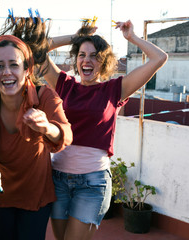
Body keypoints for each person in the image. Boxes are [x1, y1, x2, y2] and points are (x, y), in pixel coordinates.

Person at [41, 19, 168, 240]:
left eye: (94, 55)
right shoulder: (65, 85)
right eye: (82, 54)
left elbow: (160, 58)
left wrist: (132, 38)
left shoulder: (115, 89)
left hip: (92, 183)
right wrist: (76, 36)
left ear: (104, 61)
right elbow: (37, 50)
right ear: (76, 59)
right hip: (58, 179)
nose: (86, 60)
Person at [0, 19, 73, 239]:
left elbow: (65, 134)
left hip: (35, 196)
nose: (6, 72)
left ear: (27, 70)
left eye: (14, 65)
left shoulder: (45, 96)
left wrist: (47, 127)